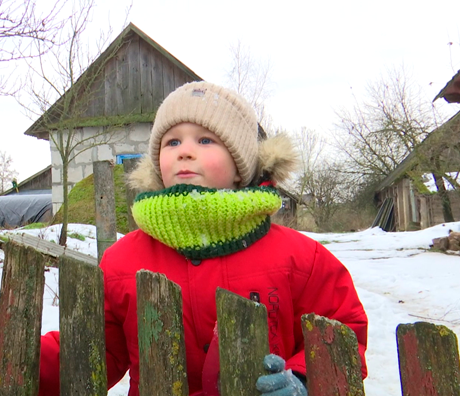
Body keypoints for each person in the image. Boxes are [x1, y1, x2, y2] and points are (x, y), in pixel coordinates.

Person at [38, 81, 368, 395]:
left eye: (205, 140)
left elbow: (342, 329)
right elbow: (96, 347)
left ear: (240, 166)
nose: (185, 152)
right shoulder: (122, 260)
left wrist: (303, 379)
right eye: (172, 142)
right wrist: (27, 361)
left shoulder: (298, 256)